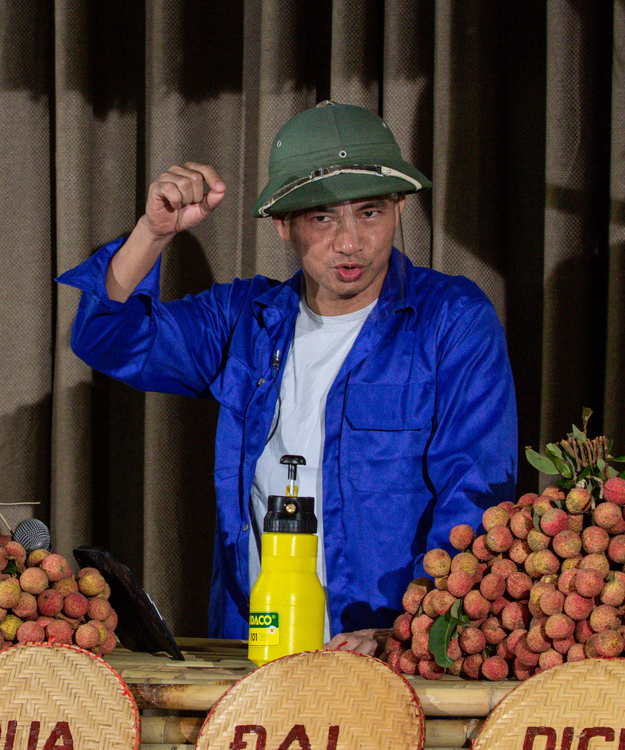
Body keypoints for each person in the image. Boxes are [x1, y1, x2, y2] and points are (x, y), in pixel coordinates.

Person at [59, 101, 517, 646]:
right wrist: (153, 233)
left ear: (398, 207)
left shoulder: (452, 319)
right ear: (283, 224)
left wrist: (408, 634)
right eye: (323, 217)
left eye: (369, 212)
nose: (350, 241)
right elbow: (105, 338)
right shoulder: (244, 320)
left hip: (388, 652)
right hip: (258, 647)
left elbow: (476, 497)